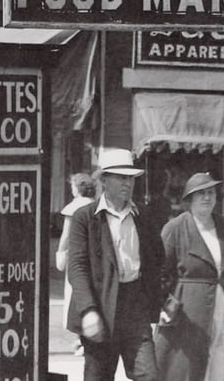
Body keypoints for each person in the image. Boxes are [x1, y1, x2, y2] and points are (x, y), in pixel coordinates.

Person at [66, 148, 164, 381]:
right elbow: (77, 267)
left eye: (130, 178)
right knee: (98, 376)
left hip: (135, 307)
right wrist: (88, 310)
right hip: (100, 306)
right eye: (121, 177)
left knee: (149, 375)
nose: (127, 183)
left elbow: (158, 259)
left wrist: (161, 298)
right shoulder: (85, 218)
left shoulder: (143, 216)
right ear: (104, 180)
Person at [155, 172, 224, 381]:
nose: (207, 198)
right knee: (187, 367)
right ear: (189, 199)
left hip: (222, 305)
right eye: (200, 193)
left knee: (222, 355)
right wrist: (165, 306)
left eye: (210, 192)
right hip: (187, 311)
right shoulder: (175, 228)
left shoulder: (222, 225)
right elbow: (159, 274)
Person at [57, 172, 97, 355]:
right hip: (94, 260)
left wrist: (59, 253)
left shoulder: (73, 208)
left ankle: (81, 338)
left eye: (73, 185)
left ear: (78, 188)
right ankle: (84, 338)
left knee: (75, 296)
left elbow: (66, 235)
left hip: (77, 258)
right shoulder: (96, 205)